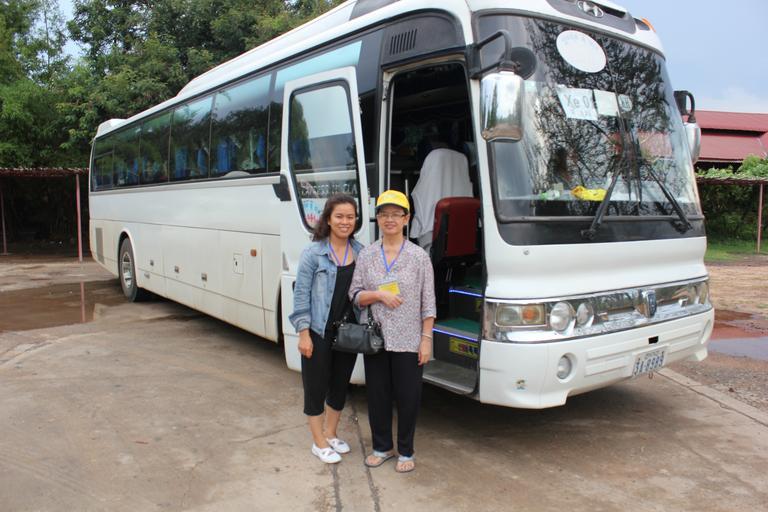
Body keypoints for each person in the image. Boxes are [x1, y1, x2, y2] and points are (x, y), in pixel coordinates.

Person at [349, 189, 436, 473]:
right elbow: (355, 294)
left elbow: (428, 302)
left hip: (409, 339)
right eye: (384, 214)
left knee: (408, 397)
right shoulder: (367, 255)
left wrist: (426, 339)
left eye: (396, 214)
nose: (390, 219)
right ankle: (382, 447)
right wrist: (378, 295)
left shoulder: (419, 257)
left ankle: (406, 451)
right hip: (376, 338)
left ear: (406, 219)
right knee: (378, 395)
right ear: (378, 218)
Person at [289, 194, 365, 464]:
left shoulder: (361, 252)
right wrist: (303, 333)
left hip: (348, 331)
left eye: (350, 217)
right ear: (329, 220)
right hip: (318, 331)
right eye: (339, 216)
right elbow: (301, 295)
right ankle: (318, 441)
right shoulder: (313, 253)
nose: (345, 222)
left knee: (340, 384)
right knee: (316, 386)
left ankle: (331, 433)